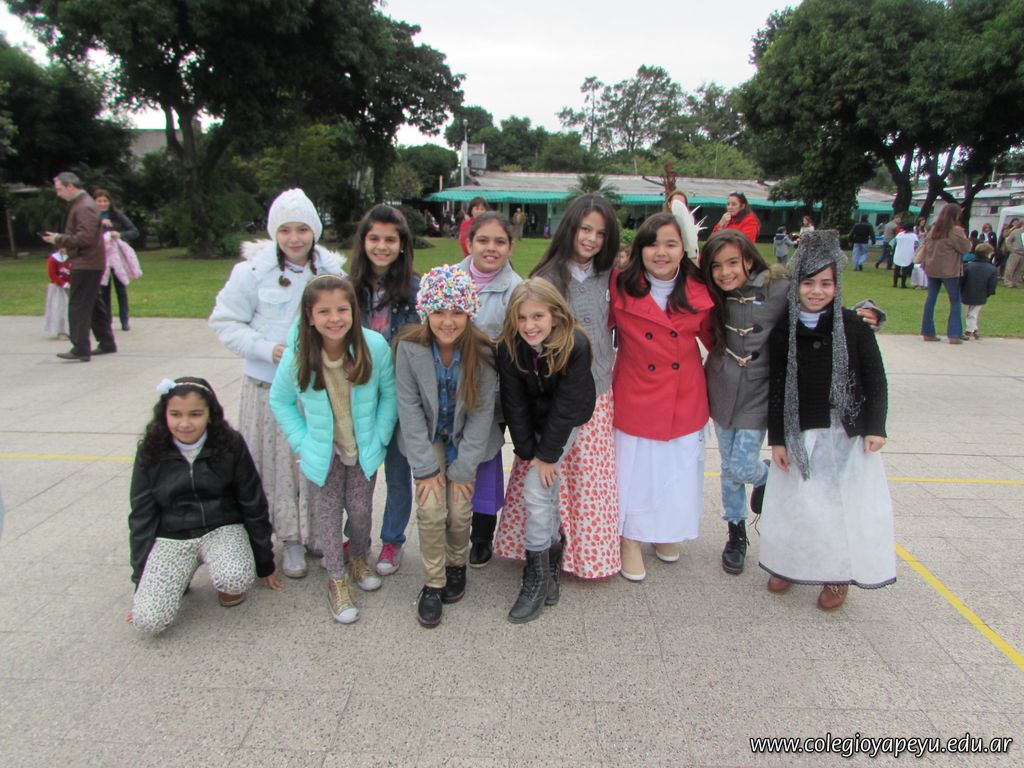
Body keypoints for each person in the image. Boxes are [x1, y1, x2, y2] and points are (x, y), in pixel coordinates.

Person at [700, 230, 886, 576]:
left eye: (732, 263)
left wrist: (869, 311)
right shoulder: (712, 292)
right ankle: (736, 533)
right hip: (721, 387)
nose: (725, 272)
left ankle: (766, 475)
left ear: (749, 259)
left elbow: (820, 297)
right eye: (716, 266)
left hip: (759, 391)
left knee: (741, 466)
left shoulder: (778, 287)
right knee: (728, 467)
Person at [209, 189, 345, 579]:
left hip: (318, 387)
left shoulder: (332, 272)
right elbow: (225, 322)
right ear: (274, 232)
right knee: (277, 467)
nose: (294, 238)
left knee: (319, 462)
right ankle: (290, 539)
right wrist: (268, 350)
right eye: (285, 230)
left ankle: (320, 532)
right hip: (269, 387)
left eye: (302, 229)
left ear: (315, 230)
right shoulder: (251, 272)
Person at [760, 230, 895, 610]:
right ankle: (789, 563)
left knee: (838, 505)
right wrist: (778, 439)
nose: (816, 291)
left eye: (825, 283)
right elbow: (777, 386)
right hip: (800, 430)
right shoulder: (784, 329)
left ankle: (837, 574)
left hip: (844, 433)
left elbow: (875, 378)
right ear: (796, 285)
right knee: (798, 503)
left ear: (837, 285)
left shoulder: (853, 326)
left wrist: (876, 426)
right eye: (808, 283)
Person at [495, 194, 621, 580]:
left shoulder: (610, 274)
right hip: (552, 398)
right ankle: (544, 552)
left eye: (600, 233)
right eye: (585, 229)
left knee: (586, 482)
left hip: (597, 391)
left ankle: (583, 555)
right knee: (545, 476)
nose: (591, 239)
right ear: (570, 229)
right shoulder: (547, 277)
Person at [269, 275, 397, 625]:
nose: (335, 318)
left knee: (360, 511)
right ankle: (336, 579)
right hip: (323, 455)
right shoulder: (298, 356)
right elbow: (280, 401)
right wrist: (303, 441)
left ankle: (358, 558)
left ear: (354, 311)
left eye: (342, 309)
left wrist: (381, 436)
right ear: (309, 316)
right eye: (324, 311)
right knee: (327, 516)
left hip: (362, 449)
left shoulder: (374, 347)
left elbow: (389, 393)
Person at [128, 377, 282, 633]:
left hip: (222, 528)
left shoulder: (230, 443)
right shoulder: (151, 450)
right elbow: (141, 515)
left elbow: (252, 502)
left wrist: (265, 562)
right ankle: (181, 576)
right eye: (175, 414)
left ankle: (226, 585)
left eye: (195, 414)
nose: (185, 423)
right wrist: (141, 581)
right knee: (148, 621)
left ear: (210, 414)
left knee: (235, 578)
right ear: (164, 414)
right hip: (174, 536)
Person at [393, 266, 502, 627]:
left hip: (466, 438)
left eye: (457, 311)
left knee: (458, 509)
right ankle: (433, 581)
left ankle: (457, 564)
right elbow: (408, 408)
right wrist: (426, 469)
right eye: (439, 311)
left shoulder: (482, 353)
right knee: (430, 508)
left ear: (469, 312)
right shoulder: (409, 348)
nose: (448, 321)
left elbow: (482, 413)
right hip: (428, 437)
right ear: (425, 311)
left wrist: (464, 468)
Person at [610, 212, 714, 581]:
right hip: (637, 390)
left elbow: (718, 339)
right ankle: (630, 538)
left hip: (683, 394)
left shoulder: (700, 289)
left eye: (671, 244)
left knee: (676, 470)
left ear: (684, 249)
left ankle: (665, 530)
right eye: (652, 244)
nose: (661, 252)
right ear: (640, 249)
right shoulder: (620, 286)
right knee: (636, 471)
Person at [497, 278, 596, 622]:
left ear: (555, 314)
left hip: (566, 420)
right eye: (521, 318)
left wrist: (547, 456)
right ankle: (549, 565)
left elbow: (567, 406)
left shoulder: (576, 344)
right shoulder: (509, 347)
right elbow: (514, 403)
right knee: (545, 491)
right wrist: (528, 453)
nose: (529, 326)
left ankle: (536, 577)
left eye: (537, 316)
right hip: (533, 421)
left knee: (537, 492)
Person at [347, 204, 420, 576]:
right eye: (374, 238)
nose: (381, 246)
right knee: (356, 472)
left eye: (390, 239)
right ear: (363, 241)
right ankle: (355, 536)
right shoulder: (347, 288)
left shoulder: (416, 289)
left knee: (397, 471)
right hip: (359, 393)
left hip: (400, 395)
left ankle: (392, 539)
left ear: (402, 244)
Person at [457, 211, 523, 566]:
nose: (491, 248)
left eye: (500, 241)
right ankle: (451, 529)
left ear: (511, 246)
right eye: (483, 240)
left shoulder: (517, 290)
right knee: (453, 461)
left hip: (493, 397)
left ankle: (481, 535)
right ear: (469, 243)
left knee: (484, 463)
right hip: (452, 393)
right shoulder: (449, 279)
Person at [41, 172, 116, 362]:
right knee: (93, 304)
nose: (58, 193)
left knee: (79, 305)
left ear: (70, 186)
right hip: (89, 262)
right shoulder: (83, 204)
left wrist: (59, 238)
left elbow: (85, 237)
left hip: (86, 263)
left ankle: (81, 347)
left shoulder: (84, 206)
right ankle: (107, 342)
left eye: (59, 189)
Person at [918, 203, 972, 344]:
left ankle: (928, 332)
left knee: (931, 298)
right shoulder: (955, 231)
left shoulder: (934, 229)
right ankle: (954, 334)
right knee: (955, 300)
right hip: (949, 270)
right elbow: (966, 248)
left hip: (932, 268)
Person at [94, 189, 141, 332]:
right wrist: (99, 223)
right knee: (104, 290)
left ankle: (124, 320)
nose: (102, 204)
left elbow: (134, 231)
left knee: (121, 289)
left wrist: (119, 234)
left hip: (117, 257)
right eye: (99, 201)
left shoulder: (118, 215)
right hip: (100, 257)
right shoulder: (90, 216)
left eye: (105, 201)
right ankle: (106, 321)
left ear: (109, 202)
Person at [961, 242, 998, 339]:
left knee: (969, 312)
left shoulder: (967, 266)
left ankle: (972, 329)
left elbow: (961, 280)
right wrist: (989, 293)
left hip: (966, 292)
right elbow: (992, 284)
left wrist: (961, 290)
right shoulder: (992, 269)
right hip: (981, 294)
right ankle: (971, 330)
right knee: (973, 313)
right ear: (989, 254)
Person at [44, 249, 71, 338]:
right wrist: (62, 283)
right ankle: (62, 331)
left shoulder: (72, 257)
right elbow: (52, 274)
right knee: (61, 308)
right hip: (58, 288)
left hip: (71, 286)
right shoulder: (53, 259)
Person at [890, 220, 919, 289]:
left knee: (896, 269)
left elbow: (892, 243)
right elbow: (916, 245)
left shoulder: (900, 234)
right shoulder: (914, 236)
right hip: (908, 254)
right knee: (905, 270)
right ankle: (903, 284)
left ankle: (895, 283)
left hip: (898, 253)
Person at [1003, 218, 1024, 288]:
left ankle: (1016, 282)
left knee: (1020, 269)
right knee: (1010, 268)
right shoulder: (1016, 231)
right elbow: (1008, 241)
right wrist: (1011, 249)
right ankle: (1008, 282)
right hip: (1015, 253)